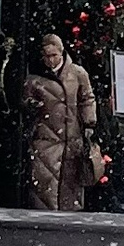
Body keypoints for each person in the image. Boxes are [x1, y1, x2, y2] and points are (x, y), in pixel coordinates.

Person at [25, 33, 99, 211]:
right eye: (47, 56)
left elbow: (87, 99)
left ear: (61, 53)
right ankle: (47, 216)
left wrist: (89, 123)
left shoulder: (78, 73)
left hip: (71, 137)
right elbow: (25, 102)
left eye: (53, 55)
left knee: (69, 181)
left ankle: (69, 214)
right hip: (46, 137)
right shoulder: (34, 78)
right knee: (45, 181)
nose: (50, 60)